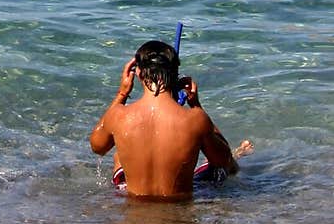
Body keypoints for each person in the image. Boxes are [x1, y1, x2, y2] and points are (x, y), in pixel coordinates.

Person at [89, 39, 253, 200]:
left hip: (135, 212)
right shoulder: (195, 119)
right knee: (218, 165)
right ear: (176, 76)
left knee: (119, 157)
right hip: (178, 209)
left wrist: (122, 94)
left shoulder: (118, 115)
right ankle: (239, 154)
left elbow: (98, 147)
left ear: (137, 72)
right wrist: (196, 105)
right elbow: (223, 160)